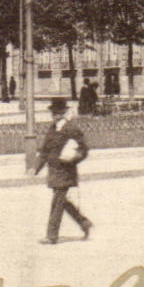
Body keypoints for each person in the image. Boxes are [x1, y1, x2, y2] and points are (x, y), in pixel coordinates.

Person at [33, 97, 93, 244]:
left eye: (58, 112)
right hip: (54, 171)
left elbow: (83, 150)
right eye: (53, 112)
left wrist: (73, 158)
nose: (55, 115)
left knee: (57, 202)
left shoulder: (71, 128)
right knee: (62, 202)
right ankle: (84, 223)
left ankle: (51, 236)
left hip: (66, 171)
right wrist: (35, 168)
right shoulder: (52, 129)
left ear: (63, 113)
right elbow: (45, 151)